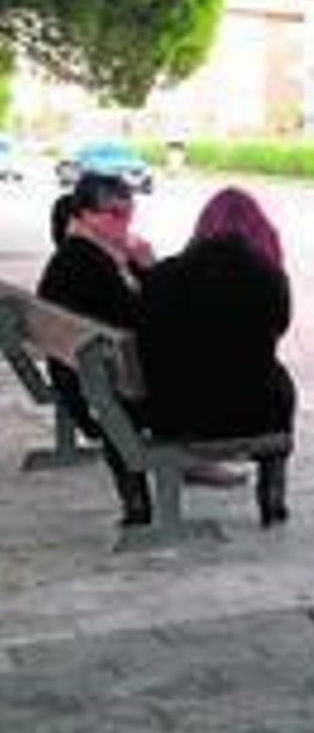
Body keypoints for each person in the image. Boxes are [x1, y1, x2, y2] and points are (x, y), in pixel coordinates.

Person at [137, 187, 297, 525]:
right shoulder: (269, 277)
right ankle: (272, 496)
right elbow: (278, 329)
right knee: (281, 383)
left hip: (174, 415)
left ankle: (142, 508)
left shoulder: (164, 275)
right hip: (253, 413)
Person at [37, 173, 158, 525]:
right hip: (100, 384)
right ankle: (182, 461)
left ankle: (152, 487)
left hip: (86, 374)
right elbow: (144, 318)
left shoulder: (81, 253)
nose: (125, 222)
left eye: (129, 213)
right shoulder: (85, 261)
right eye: (114, 214)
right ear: (86, 214)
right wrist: (150, 269)